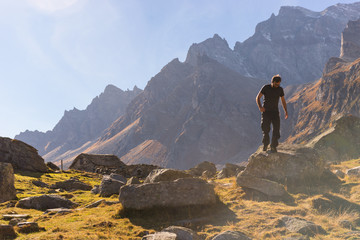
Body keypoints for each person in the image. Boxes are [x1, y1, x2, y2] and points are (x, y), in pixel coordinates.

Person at [256, 74, 288, 153]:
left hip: (275, 112)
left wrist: (286, 111)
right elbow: (258, 97)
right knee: (266, 129)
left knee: (276, 130)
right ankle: (265, 144)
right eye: (276, 83)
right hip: (266, 112)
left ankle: (273, 146)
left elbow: (283, 101)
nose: (277, 85)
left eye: (279, 84)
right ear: (272, 82)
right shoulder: (266, 88)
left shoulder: (280, 89)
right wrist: (260, 107)